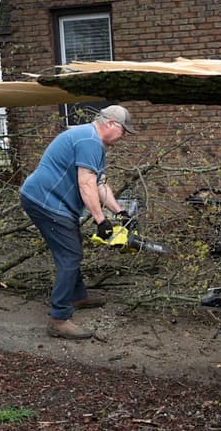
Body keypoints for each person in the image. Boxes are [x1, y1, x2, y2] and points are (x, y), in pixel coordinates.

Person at [20, 105, 136, 339]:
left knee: (71, 249)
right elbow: (86, 184)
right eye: (124, 131)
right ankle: (59, 318)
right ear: (112, 124)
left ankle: (78, 295)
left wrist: (120, 212)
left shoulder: (92, 142)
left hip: (51, 201)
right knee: (70, 255)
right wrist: (101, 220)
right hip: (46, 202)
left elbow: (100, 184)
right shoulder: (89, 141)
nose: (123, 137)